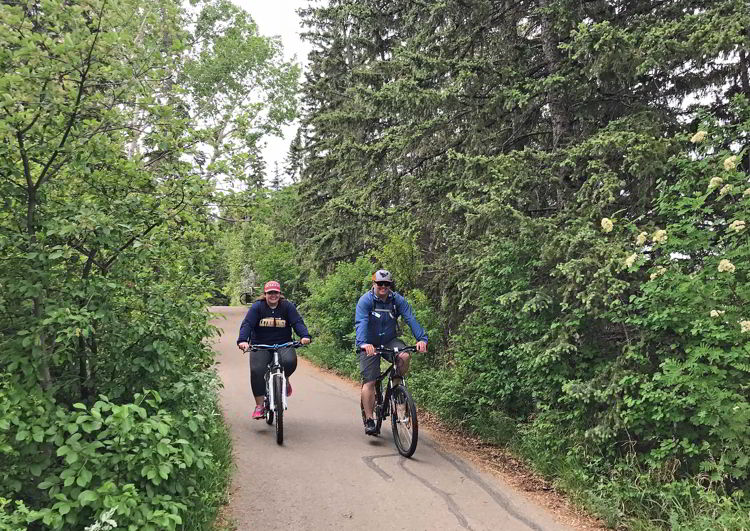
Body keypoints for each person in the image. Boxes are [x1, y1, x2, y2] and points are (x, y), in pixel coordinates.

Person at [355, 269, 427, 435]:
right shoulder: (366, 301)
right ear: (374, 284)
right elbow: (361, 323)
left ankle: (396, 388)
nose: (383, 287)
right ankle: (369, 419)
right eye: (380, 283)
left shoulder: (397, 300)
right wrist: (364, 343)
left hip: (389, 340)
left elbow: (411, 318)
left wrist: (422, 339)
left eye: (387, 284)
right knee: (370, 382)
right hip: (369, 343)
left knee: (404, 356)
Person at [237, 280, 311, 419]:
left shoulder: (287, 306)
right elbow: (247, 324)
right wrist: (242, 340)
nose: (273, 295)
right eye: (270, 293)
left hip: (283, 344)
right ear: (265, 294)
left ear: (279, 294)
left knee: (290, 362)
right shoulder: (257, 307)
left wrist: (304, 336)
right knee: (257, 370)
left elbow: (297, 322)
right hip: (261, 345)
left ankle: (285, 379)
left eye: (275, 293)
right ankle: (259, 406)